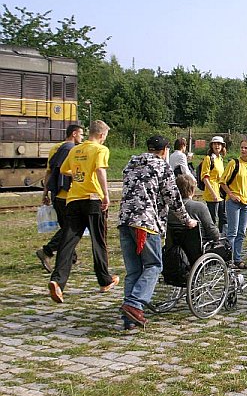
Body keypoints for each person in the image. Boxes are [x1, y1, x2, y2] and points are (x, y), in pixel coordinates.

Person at [118, 135, 198, 329]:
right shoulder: (162, 167)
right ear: (165, 150)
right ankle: (134, 305)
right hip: (146, 223)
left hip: (124, 221)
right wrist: (187, 221)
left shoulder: (131, 163)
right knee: (154, 265)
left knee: (134, 270)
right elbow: (174, 199)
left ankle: (130, 319)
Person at [48, 120, 119, 304]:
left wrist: (79, 175)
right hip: (93, 198)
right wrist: (105, 195)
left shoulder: (75, 149)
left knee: (68, 241)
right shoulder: (100, 150)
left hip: (73, 199)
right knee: (98, 240)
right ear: (102, 135)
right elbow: (101, 171)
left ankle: (57, 281)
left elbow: (64, 170)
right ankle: (104, 280)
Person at [36, 124, 84, 272]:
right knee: (72, 228)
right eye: (81, 134)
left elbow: (49, 172)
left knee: (66, 227)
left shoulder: (55, 149)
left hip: (56, 194)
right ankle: (47, 251)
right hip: (68, 195)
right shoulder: (73, 150)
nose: (82, 138)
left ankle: (71, 257)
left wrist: (45, 193)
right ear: (74, 134)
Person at [220, 139, 247, 269]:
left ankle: (237, 259)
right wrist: (231, 194)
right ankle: (228, 259)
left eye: (246, 148)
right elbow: (222, 182)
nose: (243, 150)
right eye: (242, 148)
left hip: (246, 202)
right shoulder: (234, 163)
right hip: (233, 202)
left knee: (241, 232)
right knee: (232, 232)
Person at [168, 174, 221, 253]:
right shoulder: (199, 207)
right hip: (196, 250)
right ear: (192, 189)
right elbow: (212, 231)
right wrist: (219, 236)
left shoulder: (170, 208)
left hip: (174, 249)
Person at [200, 136, 226, 229]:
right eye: (215, 144)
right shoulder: (208, 158)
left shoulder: (220, 159)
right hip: (212, 193)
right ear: (211, 146)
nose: (217, 146)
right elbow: (205, 177)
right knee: (213, 218)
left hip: (221, 193)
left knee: (223, 217)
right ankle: (212, 238)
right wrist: (213, 193)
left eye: (219, 144)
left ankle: (221, 237)